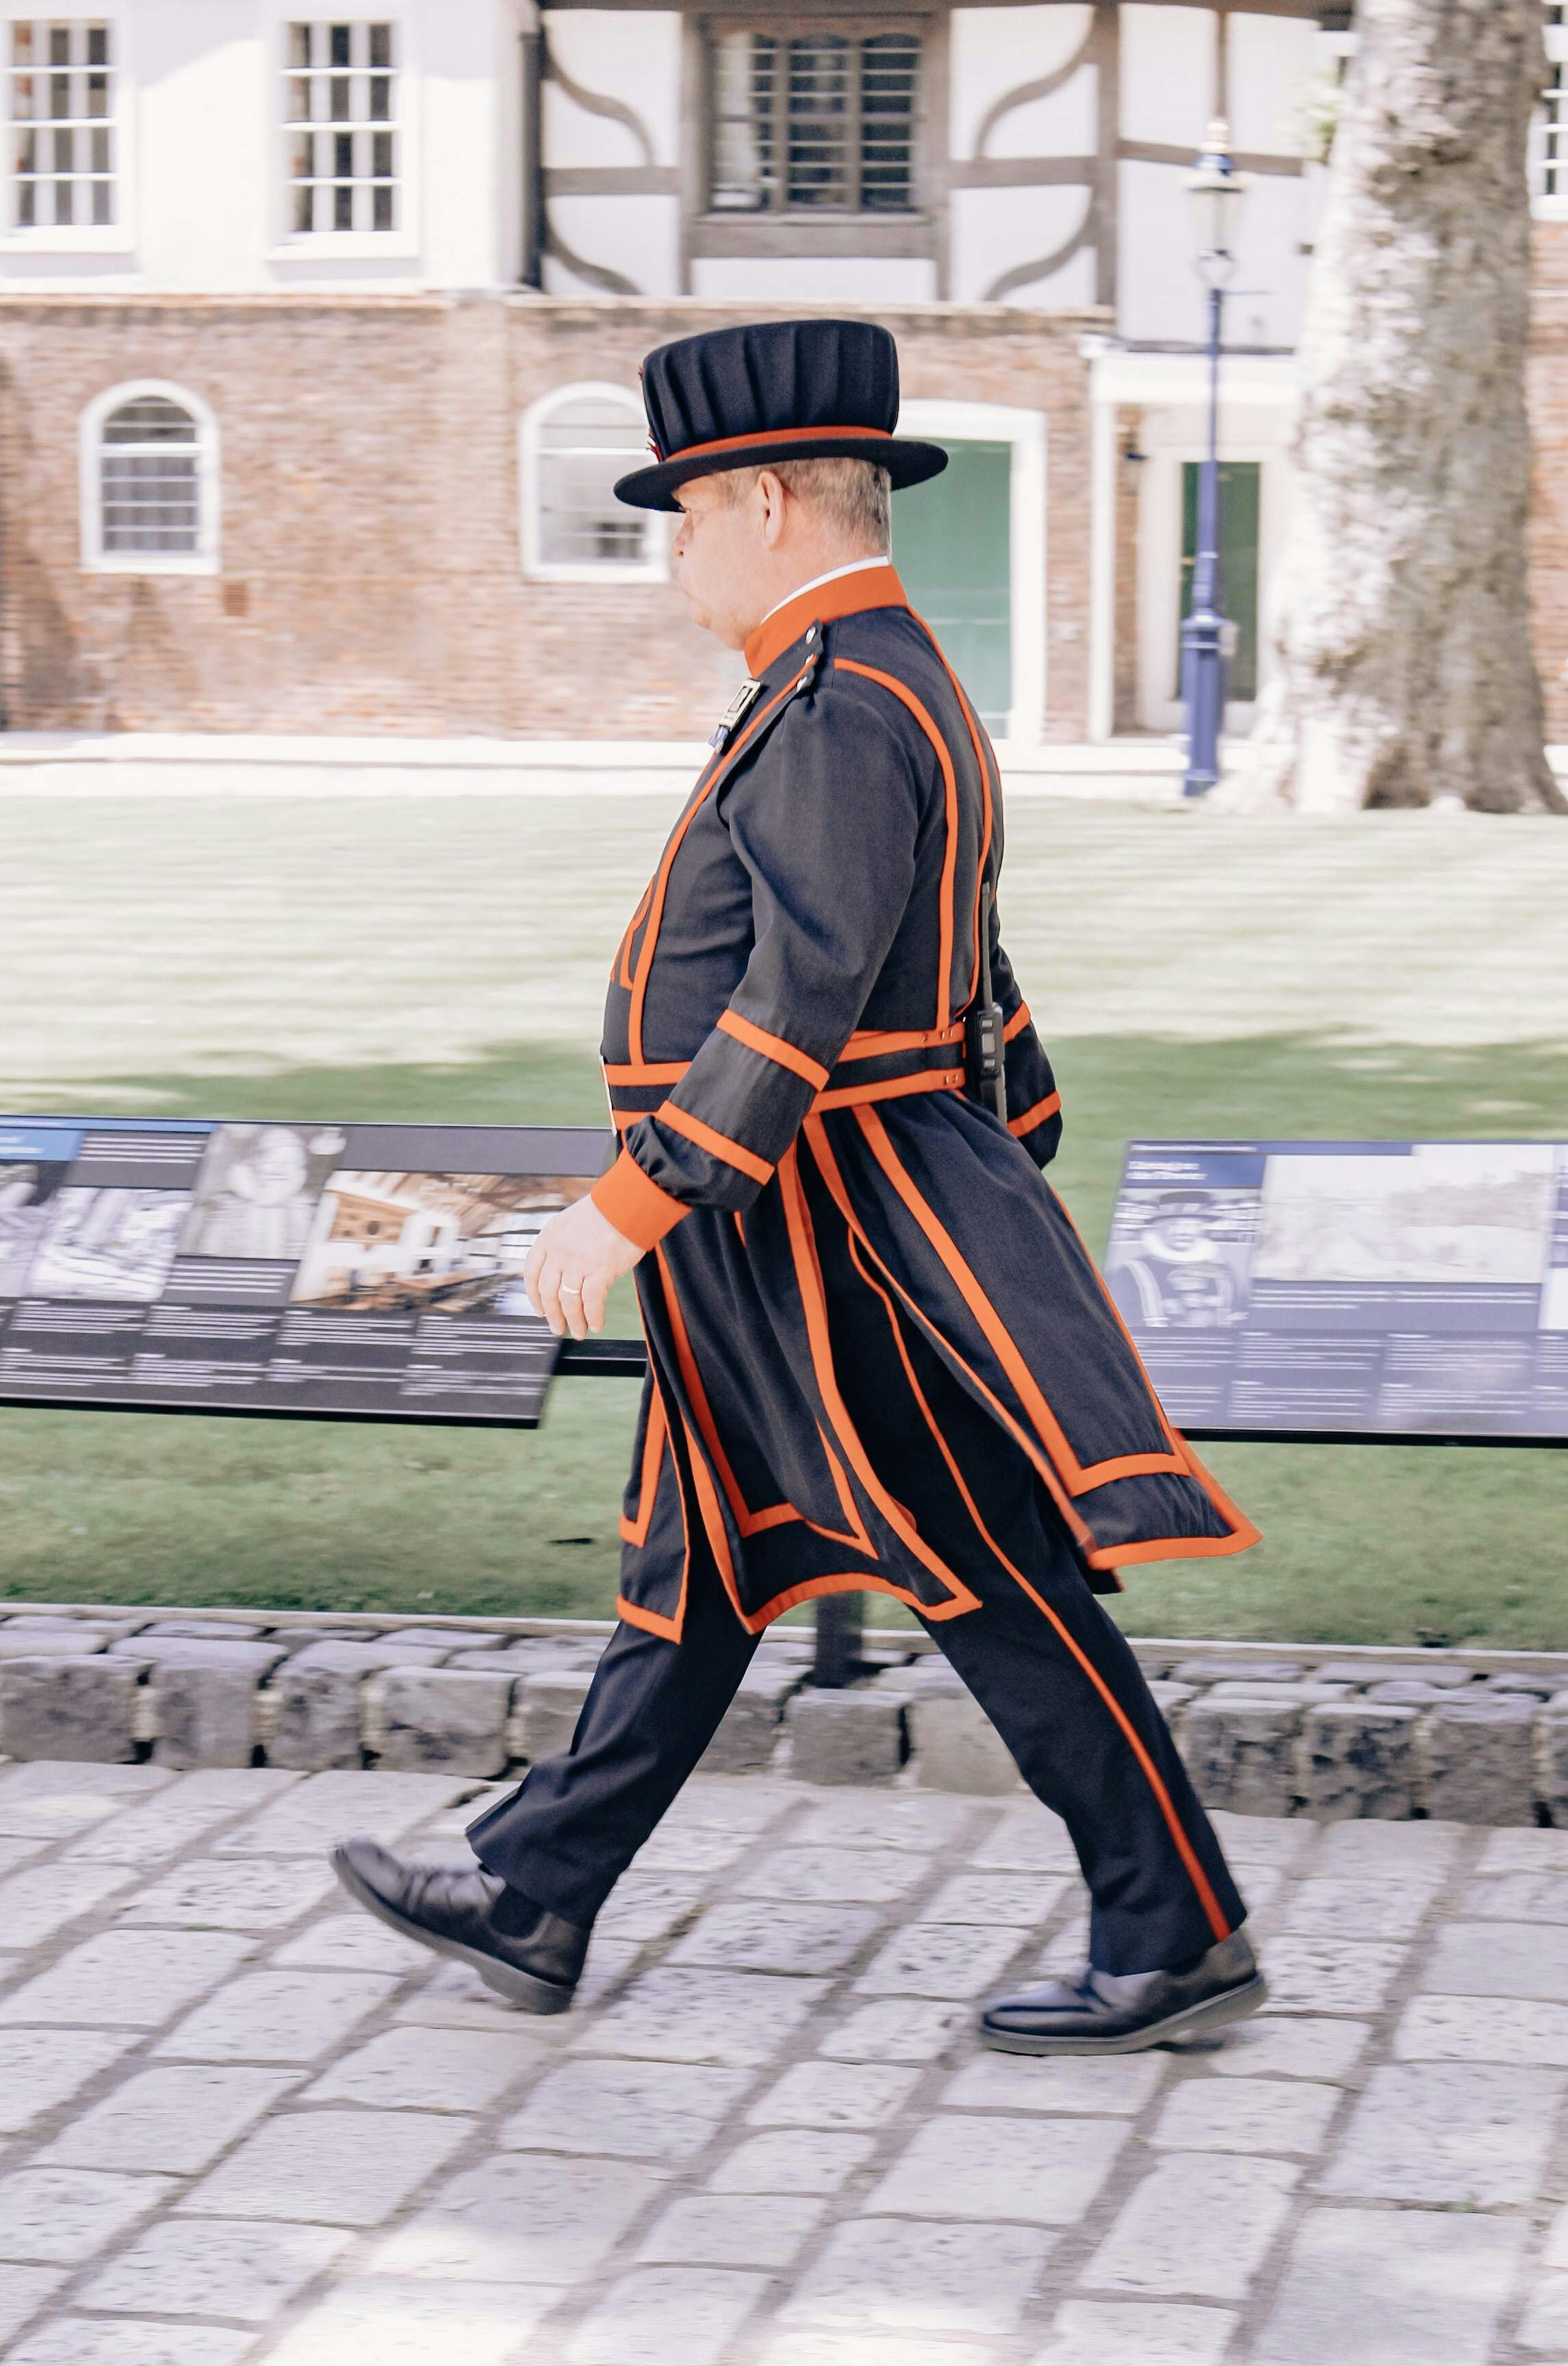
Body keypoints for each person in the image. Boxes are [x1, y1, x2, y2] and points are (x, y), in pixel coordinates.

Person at [333, 318, 1265, 2056]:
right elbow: (961, 962)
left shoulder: (844, 697)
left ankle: (1176, 1921)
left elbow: (807, 986)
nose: (673, 546)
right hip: (787, 1225)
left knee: (983, 1566)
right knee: (694, 1562)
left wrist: (637, 1197)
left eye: (683, 511)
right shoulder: (849, 677)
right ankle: (537, 1885)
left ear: (765, 497)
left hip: (822, 1221)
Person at [1109, 1189, 1244, 1330]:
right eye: (1173, 1224)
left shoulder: (1225, 1272)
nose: (1183, 1231)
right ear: (1158, 1227)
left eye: (1193, 1224)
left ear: (1203, 1228)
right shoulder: (1129, 1273)